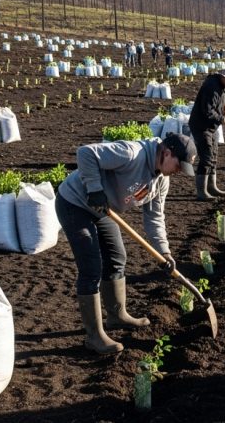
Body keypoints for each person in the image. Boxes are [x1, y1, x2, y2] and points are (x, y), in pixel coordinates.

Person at [55, 133, 197, 354]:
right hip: (75, 204)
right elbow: (86, 153)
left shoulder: (161, 181)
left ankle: (117, 316)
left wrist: (164, 252)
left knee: (116, 257)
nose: (179, 172)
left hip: (103, 210)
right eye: (180, 165)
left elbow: (154, 218)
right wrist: (94, 189)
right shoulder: (132, 153)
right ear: (167, 153)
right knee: (91, 267)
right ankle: (94, 337)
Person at [189, 65, 225, 199]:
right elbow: (207, 110)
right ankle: (202, 192)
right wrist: (223, 119)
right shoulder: (211, 87)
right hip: (201, 126)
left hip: (211, 126)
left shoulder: (222, 86)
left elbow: (218, 103)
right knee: (206, 157)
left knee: (213, 156)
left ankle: (212, 187)